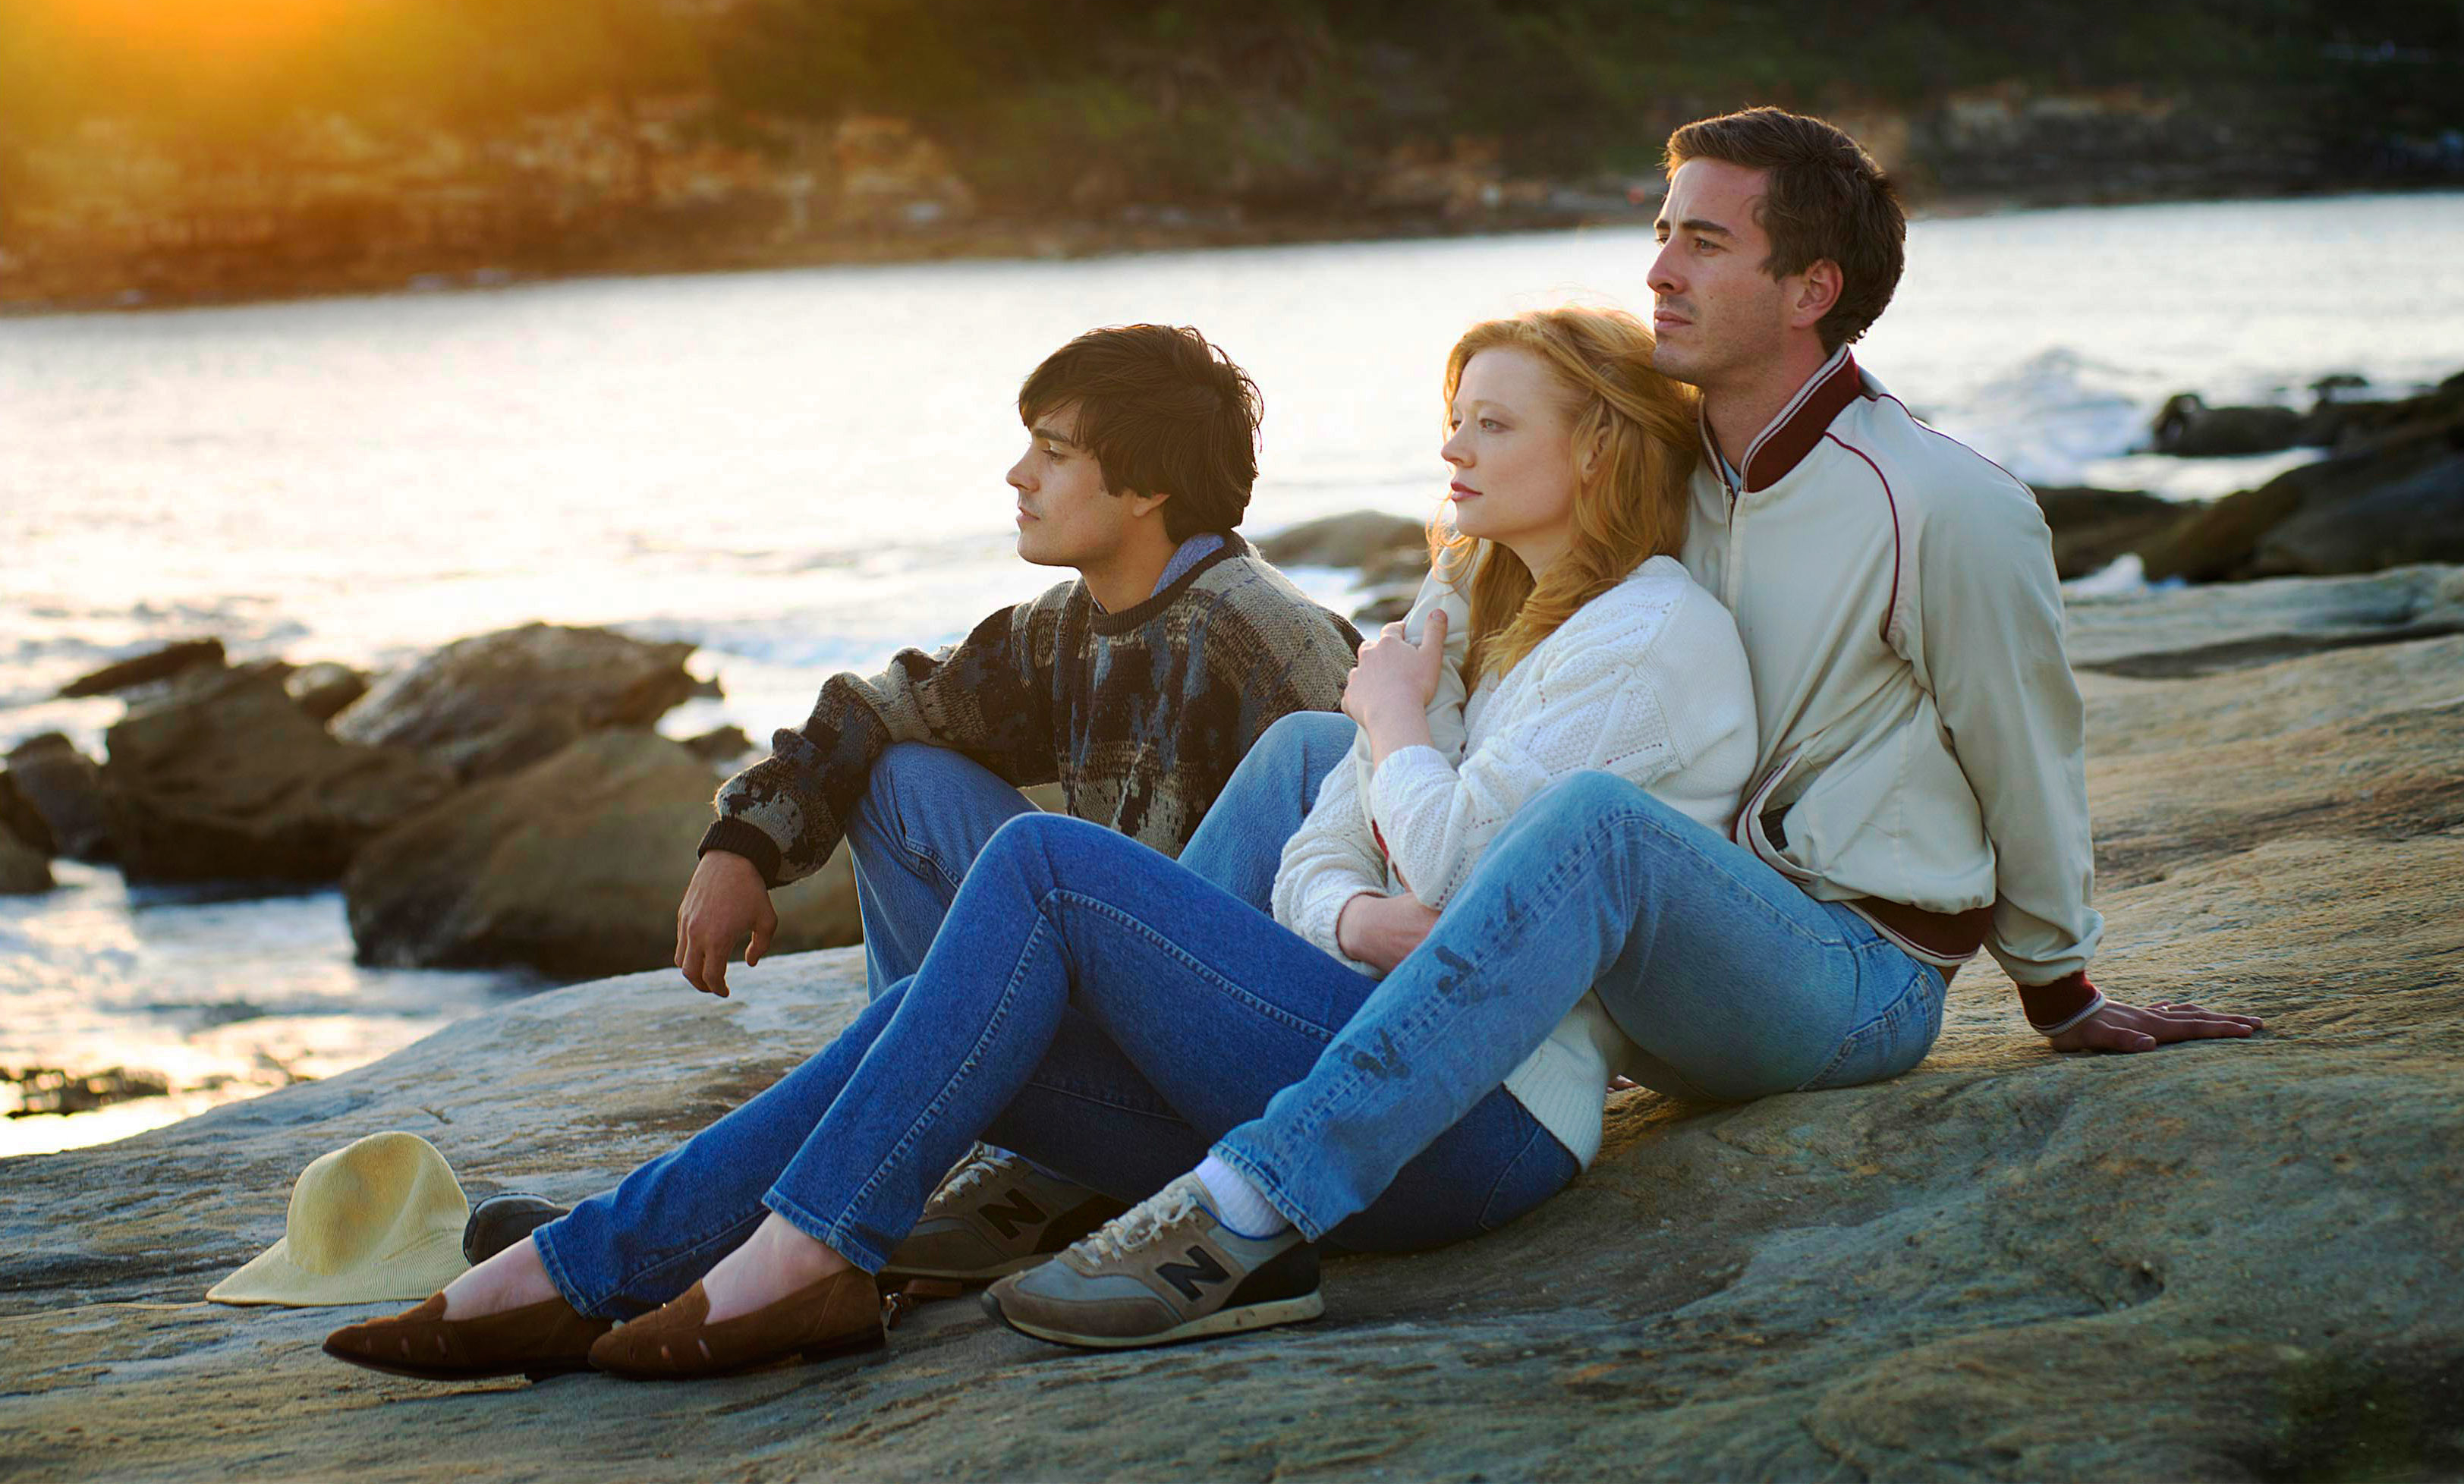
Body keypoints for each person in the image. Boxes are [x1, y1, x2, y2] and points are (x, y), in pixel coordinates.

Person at [974, 106, 2263, 1347]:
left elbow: (2025, 746)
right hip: (1647, 962)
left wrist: (2063, 984)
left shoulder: (1943, 503)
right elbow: (1447, 636)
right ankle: (1078, 1138)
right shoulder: (1640, 459)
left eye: (1704, 240)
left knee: (1594, 823)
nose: (1657, 268)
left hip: (1846, 971)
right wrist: (1372, 802)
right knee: (1320, 751)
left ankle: (1248, 1205)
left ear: (1812, 288)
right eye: (1662, 228)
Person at [319, 304, 1757, 1381]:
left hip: (1461, 1119)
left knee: (1040, 876)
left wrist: (1389, 742)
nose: (1449, 448)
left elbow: (1463, 890)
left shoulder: (1619, 645)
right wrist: (745, 833)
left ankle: (805, 1245)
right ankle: (593, 1262)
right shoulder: (1461, 627)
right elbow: (1330, 869)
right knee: (920, 978)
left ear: (1602, 448)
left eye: (1492, 424)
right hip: (1294, 1062)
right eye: (1456, 416)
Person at [675, 320, 1361, 1008]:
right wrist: (741, 846)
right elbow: (880, 708)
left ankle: (934, 1058)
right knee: (900, 779)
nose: (1018, 474)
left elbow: (1370, 862)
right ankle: (932, 1043)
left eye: (1054, 454)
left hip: (1218, 1018)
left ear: (1148, 486)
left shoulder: (1270, 635)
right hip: (1110, 978)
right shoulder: (1064, 625)